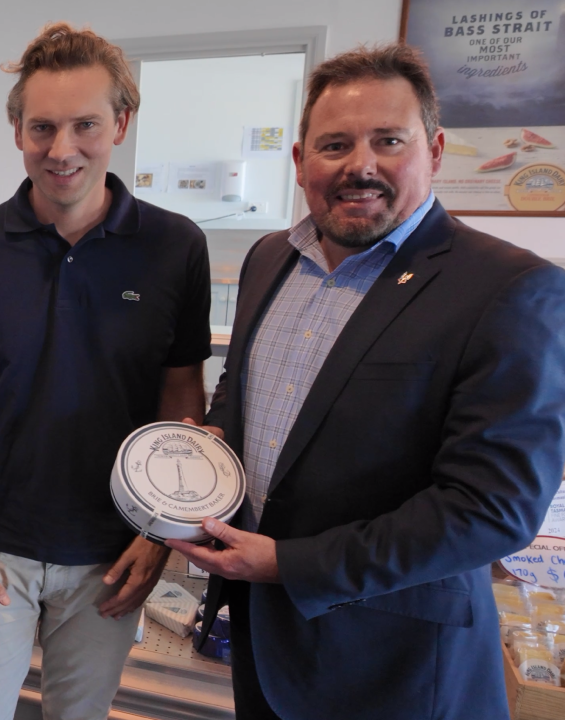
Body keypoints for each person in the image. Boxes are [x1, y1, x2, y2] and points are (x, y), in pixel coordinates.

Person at [170, 44, 565, 720]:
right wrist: (208, 448)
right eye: (334, 144)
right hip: (263, 650)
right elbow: (243, 391)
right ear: (300, 162)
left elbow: (490, 509)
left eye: (389, 140)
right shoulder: (272, 258)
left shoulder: (511, 290)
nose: (361, 165)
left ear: (434, 150)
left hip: (397, 672)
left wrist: (290, 564)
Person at [0, 23, 211, 720]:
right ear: (17, 128)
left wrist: (159, 539)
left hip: (112, 555)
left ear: (121, 122)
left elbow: (182, 404)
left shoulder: (175, 248)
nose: (61, 150)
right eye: (41, 127)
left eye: (85, 125)